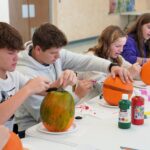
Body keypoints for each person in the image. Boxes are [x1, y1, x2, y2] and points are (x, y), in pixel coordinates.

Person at [15, 23, 132, 136]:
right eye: (53, 53)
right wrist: (77, 95)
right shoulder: (25, 72)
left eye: (59, 52)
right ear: (38, 50)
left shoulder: (55, 54)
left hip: (60, 122)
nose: (59, 57)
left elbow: (86, 61)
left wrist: (111, 67)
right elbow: (46, 117)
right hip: (33, 130)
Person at [0, 22, 52, 132]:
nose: (16, 58)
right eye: (10, 53)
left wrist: (61, 83)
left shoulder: (13, 75)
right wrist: (28, 89)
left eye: (17, 52)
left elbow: (42, 89)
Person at [79, 25, 141, 98]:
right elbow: (104, 88)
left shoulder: (117, 58)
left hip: (106, 100)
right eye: (117, 46)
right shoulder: (91, 59)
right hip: (90, 102)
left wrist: (138, 71)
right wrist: (129, 74)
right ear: (106, 44)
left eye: (123, 46)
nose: (121, 50)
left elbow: (136, 72)